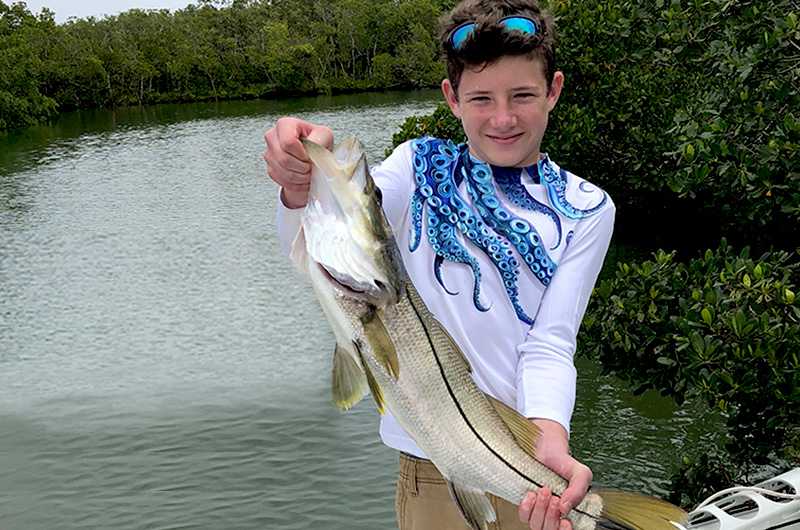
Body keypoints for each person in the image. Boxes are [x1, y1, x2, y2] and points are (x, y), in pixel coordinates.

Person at [263, 0, 615, 528]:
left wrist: (549, 439)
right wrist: (301, 180)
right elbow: (342, 225)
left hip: (528, 458)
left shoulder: (589, 208)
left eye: (522, 95)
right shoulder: (417, 165)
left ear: (554, 91)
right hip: (429, 470)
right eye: (481, 98)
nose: (503, 117)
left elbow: (551, 343)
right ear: (451, 98)